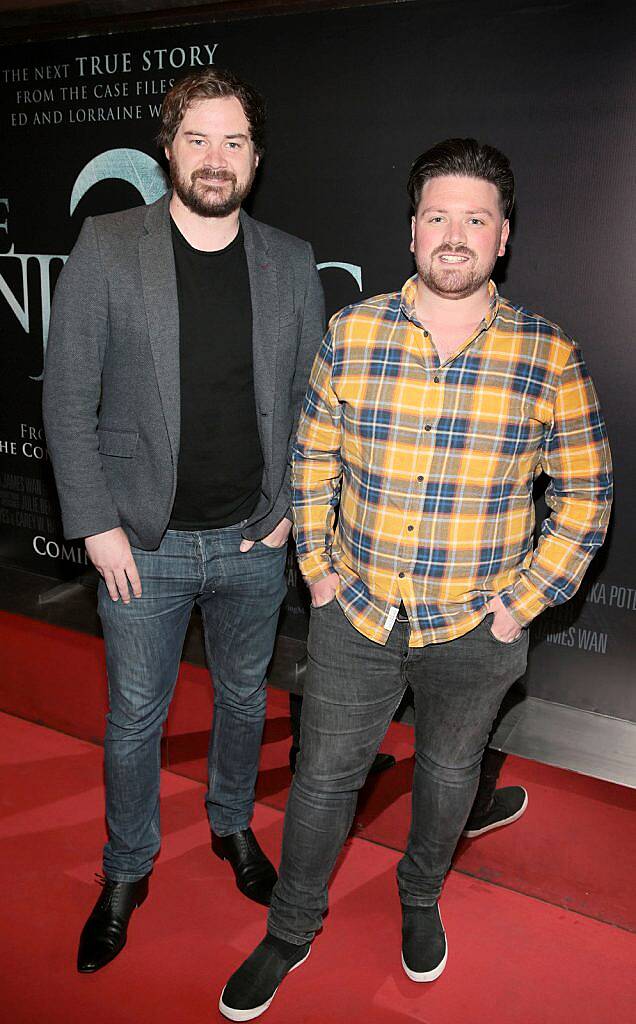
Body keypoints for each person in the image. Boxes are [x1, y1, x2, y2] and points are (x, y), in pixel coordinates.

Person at [219, 138, 612, 1020]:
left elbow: (588, 494)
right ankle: (290, 926)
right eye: (438, 216)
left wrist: (518, 606)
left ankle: (420, 895)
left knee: (447, 775)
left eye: (476, 218)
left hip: (477, 629)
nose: (455, 234)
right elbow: (311, 459)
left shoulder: (549, 353)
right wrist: (317, 570)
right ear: (411, 231)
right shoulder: (353, 332)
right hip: (353, 611)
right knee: (322, 779)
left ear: (503, 237)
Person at [42, 67, 325, 974]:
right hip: (140, 545)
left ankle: (233, 826)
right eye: (198, 139)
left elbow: (312, 404)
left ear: (256, 157)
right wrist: (95, 525)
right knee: (135, 716)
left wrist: (290, 512)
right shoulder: (109, 244)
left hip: (254, 539)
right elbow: (68, 398)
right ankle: (126, 869)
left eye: (234, 141)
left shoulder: (288, 259)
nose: (216, 158)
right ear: (168, 149)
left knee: (246, 699)